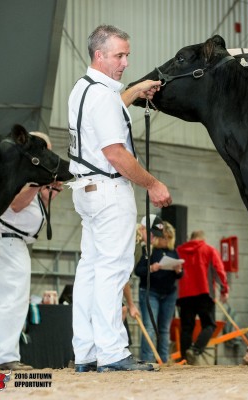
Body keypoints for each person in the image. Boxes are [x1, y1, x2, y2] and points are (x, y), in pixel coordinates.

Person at [68, 24, 171, 373]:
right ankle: (112, 352)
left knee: (91, 270)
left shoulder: (83, 89)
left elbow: (109, 111)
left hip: (86, 190)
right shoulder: (101, 96)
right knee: (113, 270)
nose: (126, 62)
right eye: (119, 56)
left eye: (127, 55)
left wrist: (135, 91)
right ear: (99, 55)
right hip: (110, 189)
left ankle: (86, 352)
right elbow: (115, 153)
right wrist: (152, 184)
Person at [0, 131, 61, 371]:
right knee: (13, 300)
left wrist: (48, 191)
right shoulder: (16, 172)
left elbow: (32, 209)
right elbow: (16, 205)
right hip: (7, 242)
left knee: (5, 301)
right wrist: (39, 183)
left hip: (6, 242)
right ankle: (6, 357)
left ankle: (3, 356)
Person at [134, 215, 183, 363]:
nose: (166, 241)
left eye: (169, 238)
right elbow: (138, 271)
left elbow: (180, 275)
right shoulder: (148, 250)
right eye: (164, 237)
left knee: (164, 329)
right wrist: (152, 268)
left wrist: (178, 271)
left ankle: (163, 360)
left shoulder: (173, 252)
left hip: (169, 294)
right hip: (151, 293)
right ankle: (148, 360)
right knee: (150, 327)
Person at [176, 230, 229, 364]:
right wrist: (224, 290)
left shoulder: (179, 251)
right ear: (202, 238)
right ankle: (195, 350)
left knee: (186, 328)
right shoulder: (209, 250)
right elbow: (219, 271)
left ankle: (184, 359)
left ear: (191, 238)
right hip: (204, 293)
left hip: (184, 295)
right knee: (209, 325)